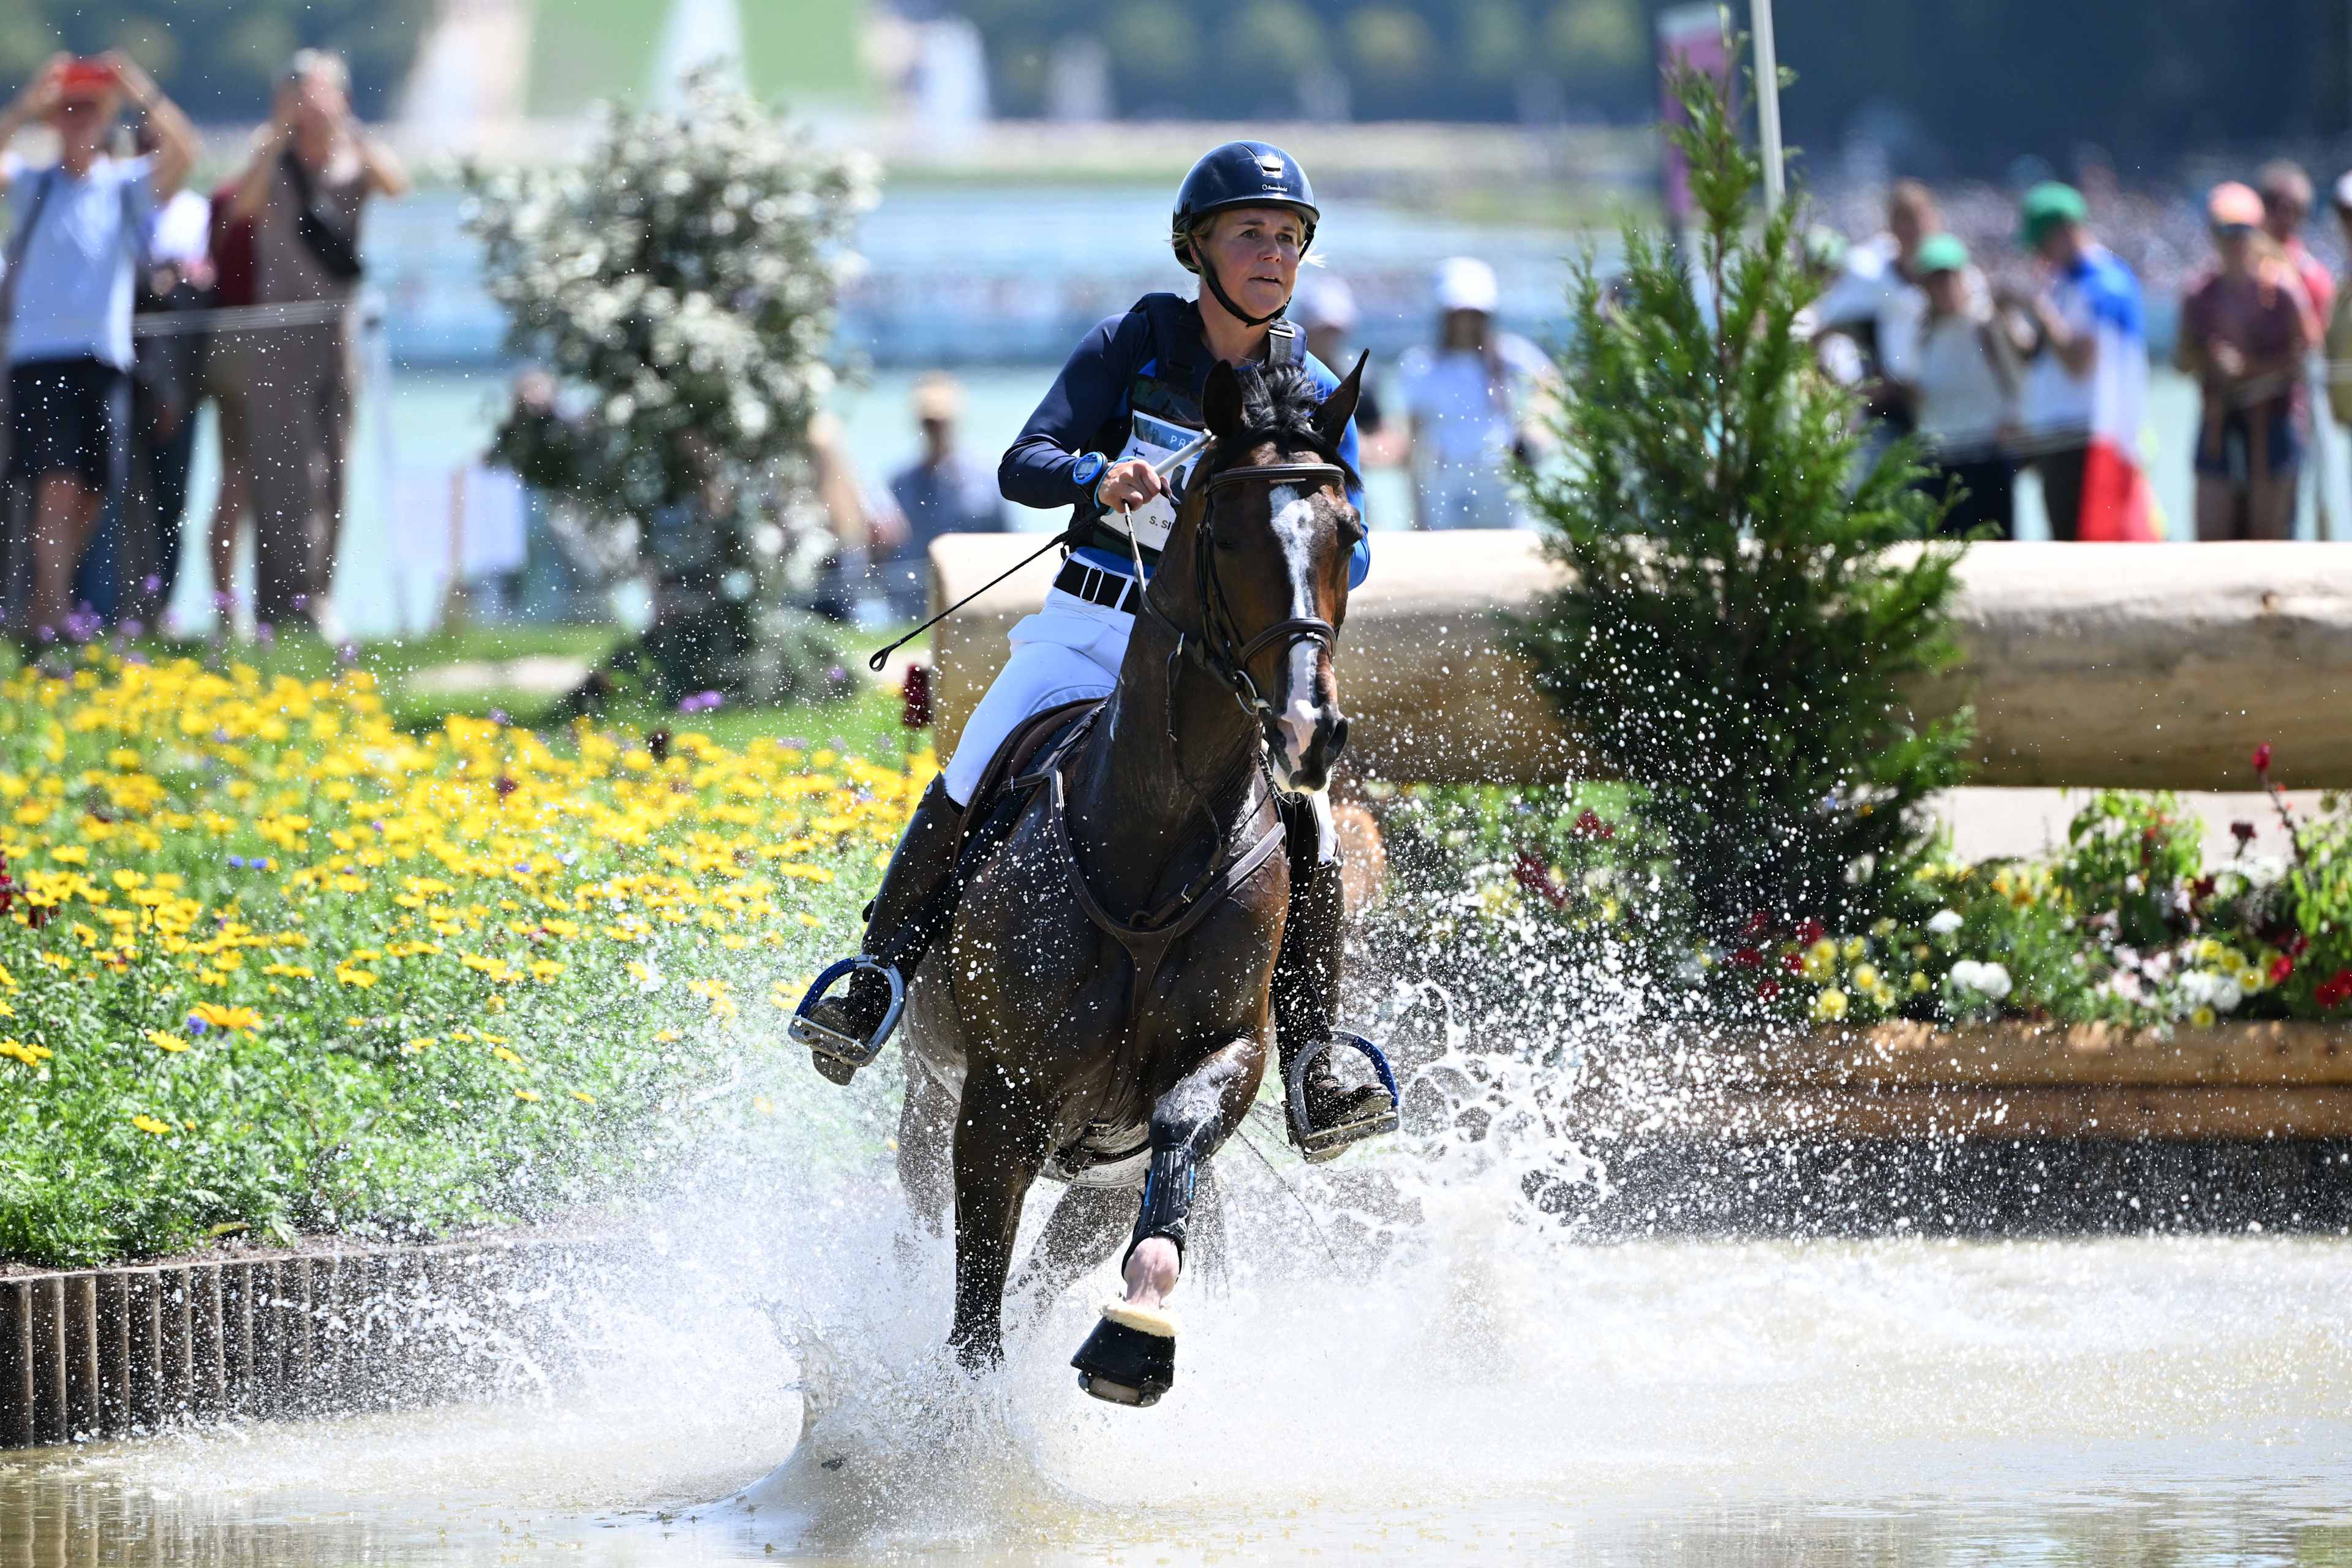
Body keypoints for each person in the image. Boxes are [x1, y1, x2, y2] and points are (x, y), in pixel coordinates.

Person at [797, 139, 1390, 1155]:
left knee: (1314, 823)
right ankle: (878, 975)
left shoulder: (1311, 383)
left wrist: (1299, 551)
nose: (1274, 252)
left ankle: (1312, 1062)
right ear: (1197, 246)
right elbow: (1023, 463)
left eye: (1290, 237)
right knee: (976, 764)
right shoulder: (1134, 343)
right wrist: (1096, 474)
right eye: (1251, 232)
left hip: (1223, 668)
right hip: (1092, 625)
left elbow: (1354, 545)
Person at [0, 53, 197, 645]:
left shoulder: (122, 186)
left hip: (104, 358)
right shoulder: (34, 185)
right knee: (56, 484)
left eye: (89, 111)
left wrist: (142, 92)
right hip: (40, 356)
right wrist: (31, 101)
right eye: (69, 110)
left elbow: (186, 155)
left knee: (93, 488)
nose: (79, 121)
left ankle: (45, 600)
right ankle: (53, 614)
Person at [227, 50, 407, 633]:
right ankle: (279, 602)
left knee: (333, 466)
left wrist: (345, 126)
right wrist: (281, 131)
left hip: (339, 330)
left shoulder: (352, 155)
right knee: (282, 470)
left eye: (323, 92)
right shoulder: (272, 154)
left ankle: (319, 595)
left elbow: (397, 184)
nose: (313, 104)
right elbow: (242, 207)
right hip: (278, 332)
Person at [2007, 181, 2153, 541]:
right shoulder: (2065, 282)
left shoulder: (2103, 283)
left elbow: (2078, 362)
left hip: (2085, 441)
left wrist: (2037, 309)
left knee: (2085, 548)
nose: (2038, 256)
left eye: (2041, 245)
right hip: (2059, 439)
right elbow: (2040, 356)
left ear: (2063, 232)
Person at [2177, 182, 2316, 542]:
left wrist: (2250, 368)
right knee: (2212, 538)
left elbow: (2307, 356)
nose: (2235, 241)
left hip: (2273, 420)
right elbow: (2181, 361)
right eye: (2226, 231)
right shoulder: (2200, 294)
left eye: (2243, 231)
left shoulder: (2282, 290)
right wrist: (2209, 357)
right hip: (2218, 421)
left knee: (2267, 539)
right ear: (2212, 233)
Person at [1880, 233, 2021, 536]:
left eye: (1949, 278)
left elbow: (2018, 379)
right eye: (1935, 280)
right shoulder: (1915, 331)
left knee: (1999, 548)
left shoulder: (1986, 325)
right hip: (1940, 457)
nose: (1943, 288)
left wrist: (2013, 419)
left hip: (1988, 454)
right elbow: (1907, 383)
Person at [1396, 256, 1551, 529]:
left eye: (1474, 315)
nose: (1467, 323)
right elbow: (1413, 440)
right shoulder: (1421, 365)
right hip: (1446, 481)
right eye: (1460, 314)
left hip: (1501, 479)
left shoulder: (1510, 355)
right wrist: (1416, 509)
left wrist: (1536, 429)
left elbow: (1550, 385)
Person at [1807, 179, 1947, 440]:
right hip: (1891, 409)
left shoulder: (1951, 270)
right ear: (1892, 225)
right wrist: (1853, 385)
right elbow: (1820, 322)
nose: (1914, 229)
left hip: (1944, 404)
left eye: (1919, 217)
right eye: (1904, 219)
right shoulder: (1870, 273)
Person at [875, 372, 1003, 621]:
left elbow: (1005, 547)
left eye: (941, 422)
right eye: (928, 423)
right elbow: (887, 556)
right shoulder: (899, 482)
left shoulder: (987, 480)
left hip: (972, 608)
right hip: (910, 612)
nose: (935, 431)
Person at [203, 176, 258, 633]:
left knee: (236, 483)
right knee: (239, 482)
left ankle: (230, 608)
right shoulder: (239, 195)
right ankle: (229, 608)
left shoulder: (228, 193)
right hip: (250, 349)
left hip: (240, 346)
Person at [1295, 273, 1401, 466]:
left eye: (1335, 330)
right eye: (1323, 329)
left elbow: (1387, 440)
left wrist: (1361, 446)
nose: (1330, 338)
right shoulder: (1287, 376)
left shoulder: (1361, 376)